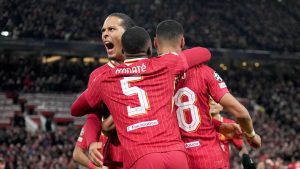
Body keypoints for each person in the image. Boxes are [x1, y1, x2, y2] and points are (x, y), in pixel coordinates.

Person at [71, 26, 211, 169]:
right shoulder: (165, 64)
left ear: (123, 52)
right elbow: (204, 53)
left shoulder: (104, 79)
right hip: (175, 154)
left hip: (141, 156)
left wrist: (95, 90)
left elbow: (75, 110)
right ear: (150, 50)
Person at [153, 20, 261, 169]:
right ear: (182, 42)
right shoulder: (204, 72)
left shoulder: (149, 76)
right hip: (208, 157)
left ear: (155, 43)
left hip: (173, 159)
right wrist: (251, 135)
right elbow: (241, 113)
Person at [71, 12, 136, 168]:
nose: (105, 34)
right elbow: (93, 113)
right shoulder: (98, 76)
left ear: (128, 35)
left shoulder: (148, 68)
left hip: (145, 154)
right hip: (115, 159)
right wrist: (93, 142)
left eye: (112, 29)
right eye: (103, 30)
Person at [210, 98, 256, 169]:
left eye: (215, 101)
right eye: (209, 100)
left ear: (221, 107)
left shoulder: (229, 124)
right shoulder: (199, 124)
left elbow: (241, 147)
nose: (212, 103)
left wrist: (248, 163)